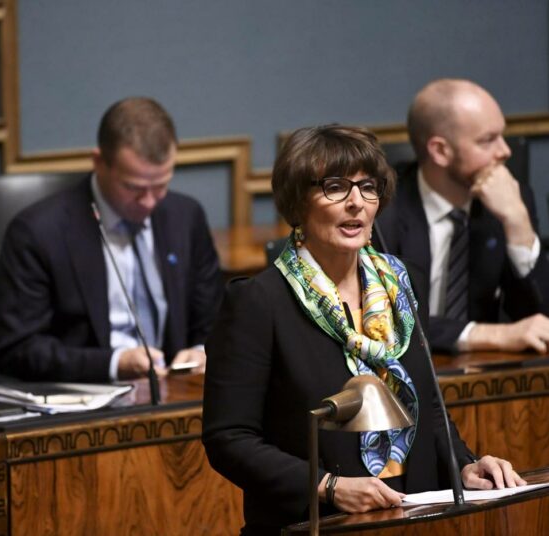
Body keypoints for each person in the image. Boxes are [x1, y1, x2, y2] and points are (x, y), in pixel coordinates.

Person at [202, 125, 525, 535]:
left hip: (411, 518)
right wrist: (327, 487)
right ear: (298, 200)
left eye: (367, 187)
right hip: (316, 523)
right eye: (335, 187)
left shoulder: (403, 285)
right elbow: (228, 438)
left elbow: (424, 403)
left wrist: (464, 464)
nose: (356, 203)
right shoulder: (259, 302)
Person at [0, 97, 223, 382]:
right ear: (99, 162)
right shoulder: (38, 232)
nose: (149, 202)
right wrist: (114, 363)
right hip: (89, 399)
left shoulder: (185, 217)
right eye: (134, 188)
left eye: (161, 185)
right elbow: (18, 349)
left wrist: (202, 351)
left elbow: (216, 321)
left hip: (177, 395)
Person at [375, 79, 549, 354]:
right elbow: (384, 321)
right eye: (487, 140)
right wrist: (483, 334)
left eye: (502, 136)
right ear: (440, 151)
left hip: (485, 375)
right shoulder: (380, 209)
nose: (505, 151)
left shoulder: (510, 199)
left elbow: (540, 321)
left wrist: (518, 224)